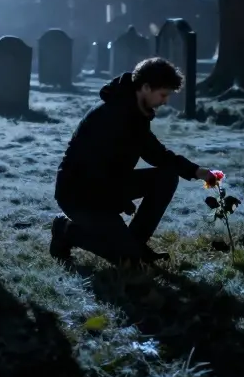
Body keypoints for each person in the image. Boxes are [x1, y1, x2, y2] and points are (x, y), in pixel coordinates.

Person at [48, 57, 221, 267]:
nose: (165, 101)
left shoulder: (135, 113)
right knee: (128, 262)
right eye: (163, 94)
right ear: (146, 88)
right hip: (79, 193)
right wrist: (118, 201)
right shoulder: (110, 116)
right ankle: (65, 230)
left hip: (107, 185)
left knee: (166, 177)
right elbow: (93, 170)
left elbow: (156, 154)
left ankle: (135, 244)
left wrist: (196, 171)